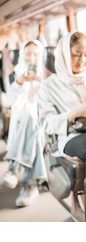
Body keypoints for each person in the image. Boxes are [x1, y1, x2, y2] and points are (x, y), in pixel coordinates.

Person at [37, 31, 86, 221]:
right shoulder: (49, 86)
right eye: (76, 55)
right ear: (63, 54)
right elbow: (46, 122)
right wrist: (76, 113)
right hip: (71, 135)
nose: (83, 60)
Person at [0, 40, 47, 207]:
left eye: (36, 54)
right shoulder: (15, 74)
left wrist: (43, 81)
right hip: (21, 121)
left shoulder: (49, 74)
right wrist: (20, 82)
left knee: (33, 118)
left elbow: (51, 101)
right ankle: (30, 185)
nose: (32, 57)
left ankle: (14, 166)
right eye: (28, 53)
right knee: (32, 125)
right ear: (22, 55)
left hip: (43, 118)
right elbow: (7, 102)